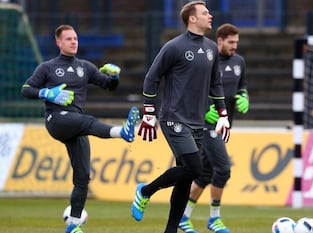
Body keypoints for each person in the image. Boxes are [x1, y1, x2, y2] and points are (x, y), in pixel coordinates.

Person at [21, 24, 140, 233]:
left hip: (75, 123)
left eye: (75, 38)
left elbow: (109, 87)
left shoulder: (85, 67)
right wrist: (46, 94)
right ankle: (122, 132)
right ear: (58, 42)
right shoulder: (47, 67)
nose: (73, 41)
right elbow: (26, 89)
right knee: (88, 121)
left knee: (83, 177)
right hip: (56, 120)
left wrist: (114, 77)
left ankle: (73, 225)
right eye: (68, 39)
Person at [131, 1, 230, 233]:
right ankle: (145, 191)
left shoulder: (211, 48)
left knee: (185, 177)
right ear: (192, 19)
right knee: (195, 169)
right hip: (173, 117)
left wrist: (223, 113)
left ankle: (171, 230)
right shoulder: (174, 47)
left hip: (197, 121)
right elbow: (151, 78)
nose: (210, 15)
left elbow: (216, 83)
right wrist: (149, 112)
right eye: (205, 13)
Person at [178, 23, 249, 233]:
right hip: (207, 125)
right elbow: (191, 89)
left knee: (205, 174)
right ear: (220, 41)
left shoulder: (239, 62)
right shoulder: (208, 60)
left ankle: (183, 217)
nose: (234, 46)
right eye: (231, 42)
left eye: (236, 42)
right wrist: (204, 109)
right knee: (223, 169)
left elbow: (242, 86)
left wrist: (245, 97)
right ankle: (214, 218)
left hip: (225, 125)